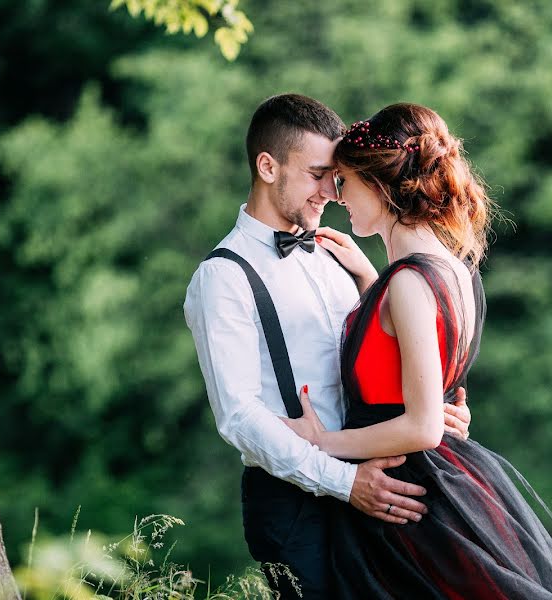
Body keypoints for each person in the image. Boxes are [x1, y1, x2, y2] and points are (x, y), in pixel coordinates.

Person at [281, 103, 552, 599]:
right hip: (445, 478)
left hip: (409, 498)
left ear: (379, 185)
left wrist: (322, 441)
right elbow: (402, 362)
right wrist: (367, 280)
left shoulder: (408, 283)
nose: (338, 198)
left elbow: (422, 425)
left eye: (344, 182)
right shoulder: (454, 269)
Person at [183, 94, 472, 598]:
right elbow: (239, 417)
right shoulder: (222, 278)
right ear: (268, 167)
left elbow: (380, 357)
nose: (331, 193)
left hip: (380, 485)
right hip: (298, 504)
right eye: (318, 174)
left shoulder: (339, 259)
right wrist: (344, 482)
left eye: (337, 178)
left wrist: (436, 409)